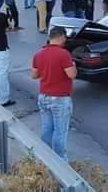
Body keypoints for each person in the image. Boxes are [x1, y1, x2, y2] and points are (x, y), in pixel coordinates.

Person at [32, 26, 77, 161]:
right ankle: (60, 162)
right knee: (60, 131)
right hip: (60, 99)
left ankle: (45, 158)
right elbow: (72, 75)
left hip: (43, 96)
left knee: (47, 128)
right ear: (62, 37)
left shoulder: (38, 54)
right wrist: (74, 65)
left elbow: (34, 75)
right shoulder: (64, 54)